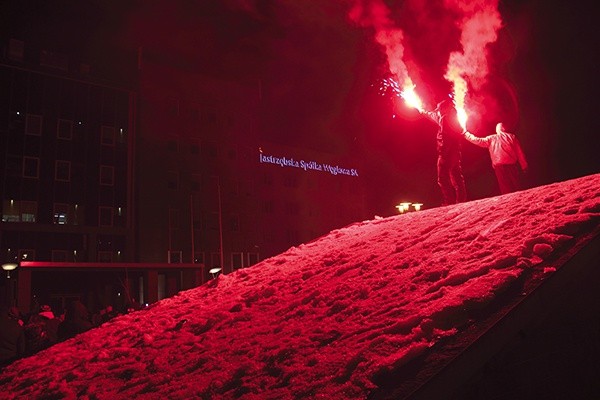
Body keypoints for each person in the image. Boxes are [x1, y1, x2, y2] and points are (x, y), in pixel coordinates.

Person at [462, 122, 528, 194]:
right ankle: (520, 199)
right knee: (516, 185)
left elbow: (477, 140)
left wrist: (466, 134)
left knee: (505, 188)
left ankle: (510, 201)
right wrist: (524, 165)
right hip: (511, 165)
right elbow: (519, 153)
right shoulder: (512, 137)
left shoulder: (492, 138)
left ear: (499, 129)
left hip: (499, 166)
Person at [422, 99, 467, 205]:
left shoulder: (445, 118)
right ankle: (461, 200)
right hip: (455, 152)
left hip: (447, 152)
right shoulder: (452, 117)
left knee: (443, 178)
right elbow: (433, 116)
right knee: (456, 175)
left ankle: (449, 201)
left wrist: (443, 152)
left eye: (439, 109)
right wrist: (423, 111)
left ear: (444, 109)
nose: (438, 111)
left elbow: (446, 137)